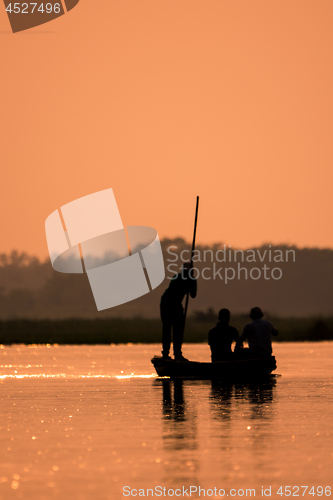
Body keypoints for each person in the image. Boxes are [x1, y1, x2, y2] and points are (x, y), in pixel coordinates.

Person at [160, 262, 197, 361]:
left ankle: (177, 354)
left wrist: (191, 285)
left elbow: (193, 295)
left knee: (178, 329)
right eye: (185, 271)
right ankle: (165, 353)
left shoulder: (192, 280)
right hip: (167, 303)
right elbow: (175, 291)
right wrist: (187, 282)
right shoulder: (177, 278)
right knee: (167, 328)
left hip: (177, 305)